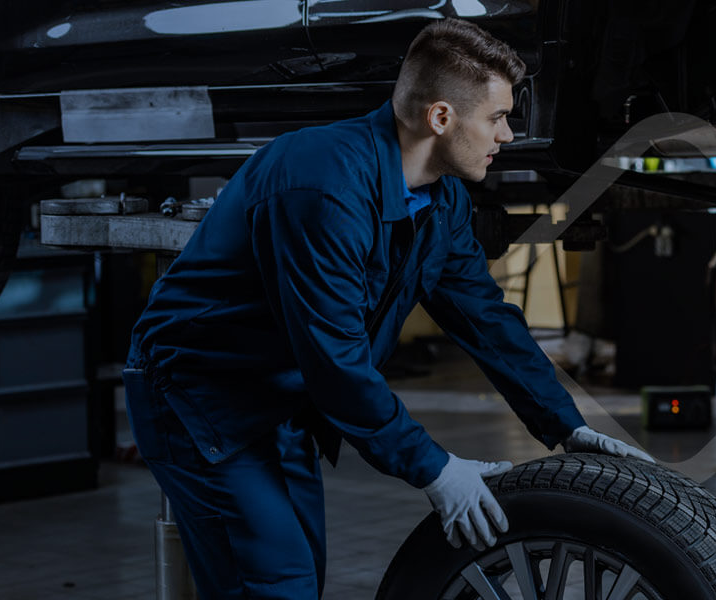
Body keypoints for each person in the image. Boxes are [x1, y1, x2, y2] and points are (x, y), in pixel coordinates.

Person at [122, 19, 651, 599]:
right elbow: (335, 361)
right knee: (276, 586)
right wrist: (435, 468)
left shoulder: (440, 198)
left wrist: (565, 424)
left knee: (299, 579)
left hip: (283, 396)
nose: (508, 135)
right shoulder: (322, 187)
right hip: (200, 396)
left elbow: (485, 317)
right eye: (498, 117)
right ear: (441, 117)